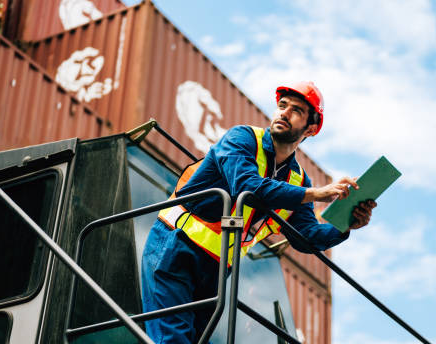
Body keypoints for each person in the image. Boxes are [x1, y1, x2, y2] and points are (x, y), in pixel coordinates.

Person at [141, 81, 377, 343]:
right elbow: (248, 188)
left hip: (216, 268)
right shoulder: (241, 138)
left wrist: (346, 224)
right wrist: (316, 194)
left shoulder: (298, 180)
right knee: (172, 339)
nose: (284, 113)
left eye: (296, 110)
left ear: (310, 128)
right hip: (175, 247)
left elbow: (306, 237)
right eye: (282, 106)